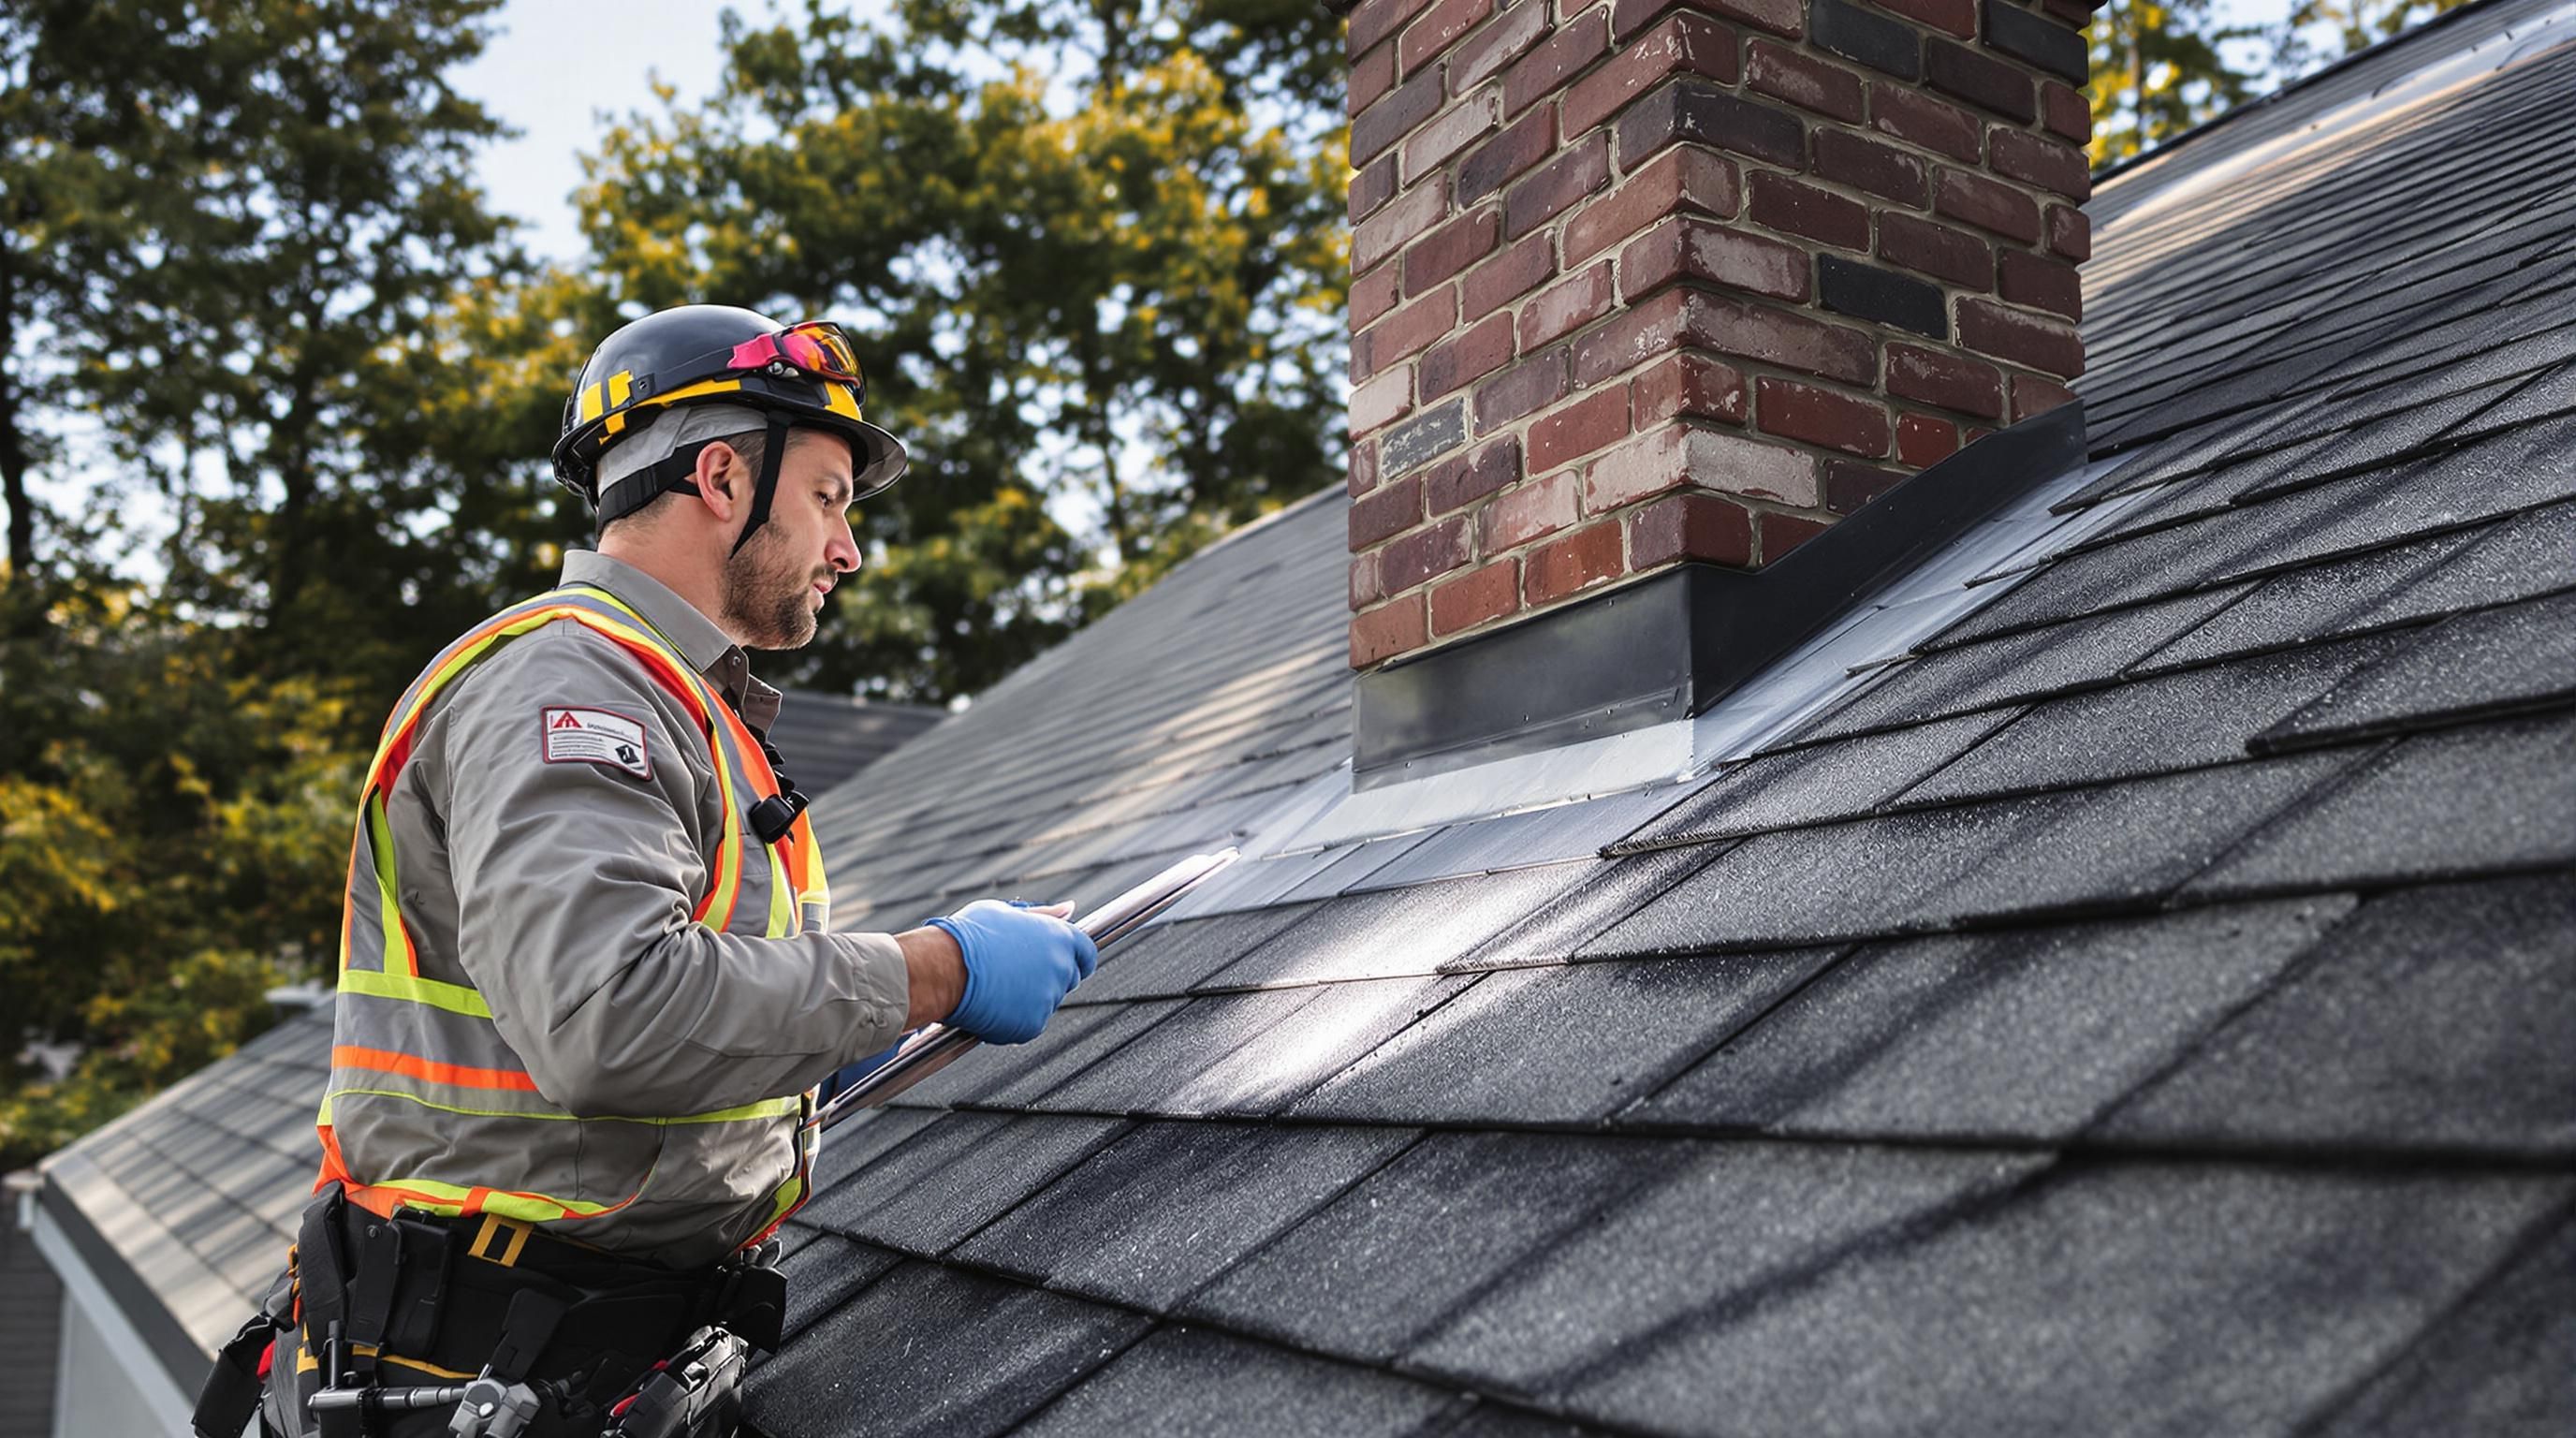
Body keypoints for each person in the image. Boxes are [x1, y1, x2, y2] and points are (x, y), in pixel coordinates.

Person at [194, 305, 1096, 1438]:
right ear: (722, 479)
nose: (848, 549)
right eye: (828, 497)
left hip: (564, 1352)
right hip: (476, 1363)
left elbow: (662, 1007)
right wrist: (933, 971)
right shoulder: (567, 692)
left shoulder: (668, 697)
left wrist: (838, 1029)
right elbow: (610, 1015)